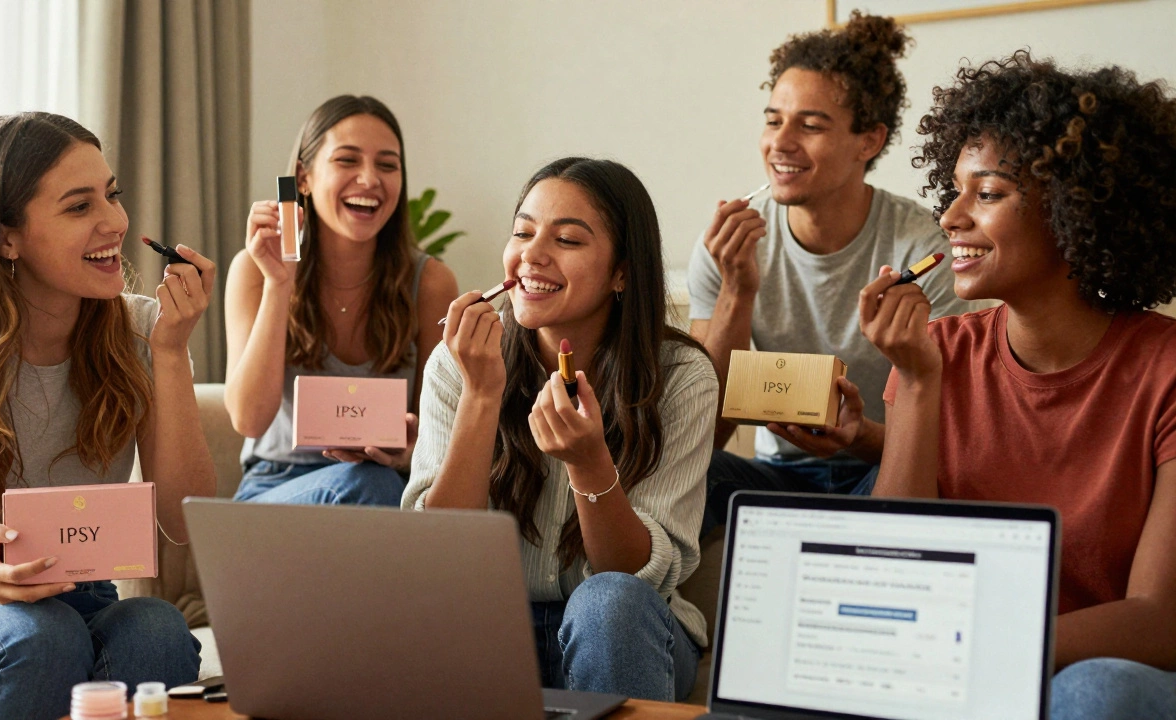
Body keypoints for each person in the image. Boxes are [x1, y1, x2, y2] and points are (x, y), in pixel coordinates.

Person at [862, 51, 1176, 719]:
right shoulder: (936, 354)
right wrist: (917, 383)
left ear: (1074, 209)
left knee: (1092, 694)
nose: (949, 217)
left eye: (989, 193)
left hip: (1108, 680)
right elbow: (895, 574)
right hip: (966, 673)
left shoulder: (1165, 369)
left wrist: (984, 643)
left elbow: (1159, 624)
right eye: (954, 190)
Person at [0, 112, 216, 720]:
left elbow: (185, 519)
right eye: (78, 206)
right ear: (5, 237)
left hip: (82, 598)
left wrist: (171, 354)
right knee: (36, 635)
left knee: (156, 627)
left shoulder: (146, 331)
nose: (116, 222)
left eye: (112, 195)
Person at [404, 158, 717, 702]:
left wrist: (588, 462)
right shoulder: (458, 362)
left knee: (608, 603)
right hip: (494, 629)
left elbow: (630, 574)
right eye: (523, 231)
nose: (532, 253)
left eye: (567, 239)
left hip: (626, 630)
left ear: (622, 271)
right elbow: (436, 554)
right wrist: (481, 396)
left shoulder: (682, 377)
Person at [687, 12, 972, 533]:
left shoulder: (922, 249)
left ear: (868, 141)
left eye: (811, 125)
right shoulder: (730, 245)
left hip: (881, 464)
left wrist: (858, 435)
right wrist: (736, 292)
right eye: (773, 120)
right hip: (776, 474)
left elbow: (954, 444)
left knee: (950, 486)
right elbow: (704, 436)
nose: (781, 142)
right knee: (675, 474)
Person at [225, 95, 457, 507]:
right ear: (303, 179)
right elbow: (248, 419)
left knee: (376, 485)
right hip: (277, 485)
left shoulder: (431, 284)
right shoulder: (253, 269)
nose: (369, 179)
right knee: (370, 487)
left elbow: (436, 434)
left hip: (385, 484)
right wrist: (280, 284)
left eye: (387, 165)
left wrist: (406, 453)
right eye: (348, 160)